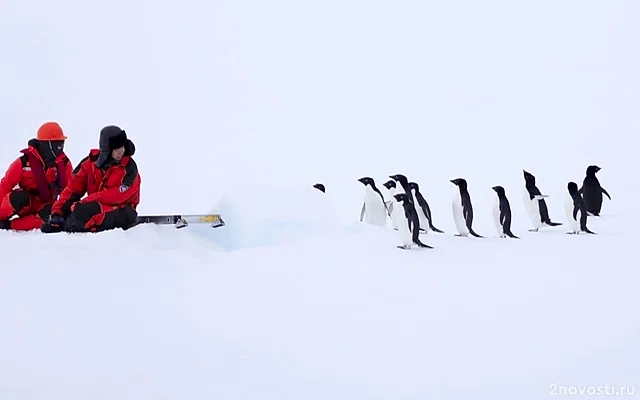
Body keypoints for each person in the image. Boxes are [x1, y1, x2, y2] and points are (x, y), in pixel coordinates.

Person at [41, 125, 141, 233]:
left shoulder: (130, 168)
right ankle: (63, 223)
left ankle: (69, 225)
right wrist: (57, 212)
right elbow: (72, 189)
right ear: (107, 148)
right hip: (95, 207)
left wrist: (86, 202)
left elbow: (117, 196)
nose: (121, 151)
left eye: (122, 146)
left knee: (82, 211)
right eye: (116, 148)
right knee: (78, 210)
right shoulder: (89, 163)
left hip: (124, 210)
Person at [0, 122, 73, 231]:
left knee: (50, 214)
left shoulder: (64, 163)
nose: (61, 147)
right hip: (26, 204)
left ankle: (8, 225)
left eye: (62, 143)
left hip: (46, 207)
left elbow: (71, 189)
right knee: (17, 198)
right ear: (46, 144)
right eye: (58, 143)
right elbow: (5, 186)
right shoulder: (23, 163)